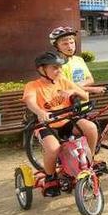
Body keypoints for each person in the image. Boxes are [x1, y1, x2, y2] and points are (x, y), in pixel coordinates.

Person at [23, 52, 99, 196]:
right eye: (55, 68)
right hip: (46, 125)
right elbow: (30, 101)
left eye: (60, 67)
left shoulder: (63, 80)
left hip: (66, 120)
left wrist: (72, 91)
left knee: (91, 128)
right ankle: (51, 177)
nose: (59, 70)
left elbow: (85, 95)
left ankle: (91, 160)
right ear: (42, 69)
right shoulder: (33, 86)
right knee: (53, 149)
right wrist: (41, 112)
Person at [49, 26, 106, 94]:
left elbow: (90, 80)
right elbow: (64, 88)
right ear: (57, 46)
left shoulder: (79, 60)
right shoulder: (57, 65)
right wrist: (91, 89)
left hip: (85, 102)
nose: (70, 47)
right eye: (65, 44)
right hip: (68, 103)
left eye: (72, 42)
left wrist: (74, 87)